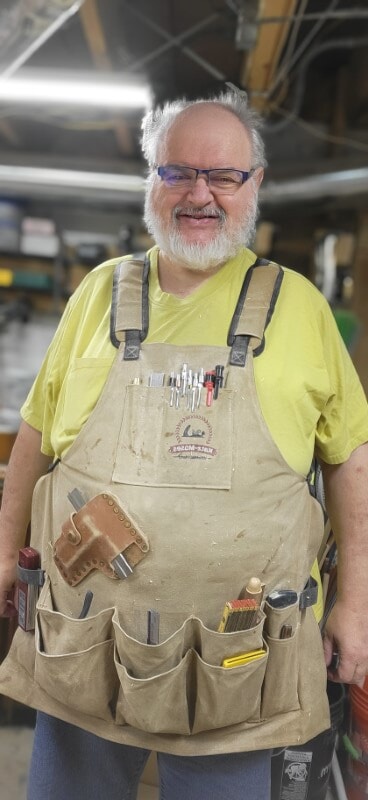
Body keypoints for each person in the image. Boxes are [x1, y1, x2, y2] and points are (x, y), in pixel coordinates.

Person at [0, 85, 368, 800]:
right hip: (86, 648)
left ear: (253, 184)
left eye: (223, 175)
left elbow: (351, 458)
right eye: (178, 172)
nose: (201, 193)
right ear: (153, 181)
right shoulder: (97, 296)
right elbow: (35, 440)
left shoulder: (298, 306)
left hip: (244, 667)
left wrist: (357, 601)